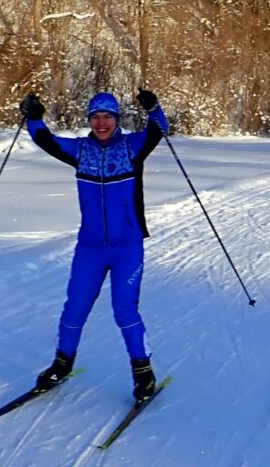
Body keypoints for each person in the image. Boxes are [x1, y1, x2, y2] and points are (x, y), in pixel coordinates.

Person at [19, 89, 168, 402]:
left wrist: (153, 107)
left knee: (124, 310)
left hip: (127, 246)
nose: (101, 123)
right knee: (75, 308)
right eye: (96, 117)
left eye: (107, 117)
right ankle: (62, 365)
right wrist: (34, 117)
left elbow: (159, 128)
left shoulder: (132, 147)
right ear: (89, 120)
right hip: (90, 248)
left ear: (116, 119)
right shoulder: (80, 151)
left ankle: (143, 373)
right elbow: (45, 139)